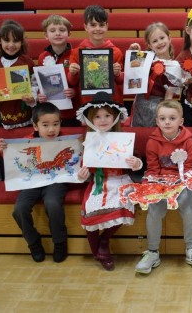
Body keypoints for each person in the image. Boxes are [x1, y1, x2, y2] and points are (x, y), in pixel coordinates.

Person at [135, 100, 192, 274]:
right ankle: (152, 252)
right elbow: (153, 169)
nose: (167, 122)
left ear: (181, 121)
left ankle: (191, 248)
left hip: (182, 181)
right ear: (157, 121)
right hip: (161, 183)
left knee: (188, 204)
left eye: (172, 118)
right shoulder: (152, 142)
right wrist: (154, 186)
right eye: (162, 118)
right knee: (154, 208)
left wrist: (182, 183)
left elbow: (190, 167)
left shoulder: (188, 141)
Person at [76, 91, 143, 271]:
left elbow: (135, 162)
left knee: (125, 203)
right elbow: (85, 168)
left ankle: (104, 240)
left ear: (115, 117)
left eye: (107, 115)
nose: (103, 120)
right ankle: (97, 251)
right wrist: (82, 175)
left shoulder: (123, 139)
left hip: (120, 179)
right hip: (99, 183)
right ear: (90, 119)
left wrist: (136, 163)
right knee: (90, 211)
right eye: (97, 116)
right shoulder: (87, 141)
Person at [0, 103, 69, 263]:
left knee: (52, 203)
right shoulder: (26, 142)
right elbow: (14, 162)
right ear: (35, 126)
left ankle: (59, 242)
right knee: (19, 208)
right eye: (45, 125)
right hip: (32, 182)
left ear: (60, 124)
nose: (51, 129)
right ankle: (33, 242)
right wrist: (4, 150)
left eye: (55, 124)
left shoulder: (67, 141)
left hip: (55, 182)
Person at [67, 5, 124, 105]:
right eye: (93, 25)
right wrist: (72, 73)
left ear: (106, 26)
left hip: (112, 101)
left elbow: (121, 80)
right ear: (85, 27)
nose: (97, 28)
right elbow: (72, 82)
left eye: (101, 25)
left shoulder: (116, 52)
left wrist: (117, 73)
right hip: (87, 102)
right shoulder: (77, 52)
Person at [0, 20, 36, 129]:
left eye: (16, 41)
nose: (11, 45)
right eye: (7, 40)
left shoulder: (27, 61)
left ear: (22, 42)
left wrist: (32, 98)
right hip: (0, 115)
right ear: (0, 41)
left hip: (22, 113)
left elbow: (34, 84)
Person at [129, 22, 183, 127]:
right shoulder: (146, 59)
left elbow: (169, 96)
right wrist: (134, 54)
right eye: (155, 41)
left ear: (169, 38)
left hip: (159, 108)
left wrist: (164, 115)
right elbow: (134, 77)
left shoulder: (175, 66)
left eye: (162, 38)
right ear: (150, 45)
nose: (160, 42)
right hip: (139, 105)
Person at [36, 15, 81, 127]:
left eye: (62, 30)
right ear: (46, 35)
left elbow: (83, 81)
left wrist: (75, 91)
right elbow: (39, 81)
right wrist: (39, 94)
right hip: (49, 111)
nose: (57, 33)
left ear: (69, 34)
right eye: (52, 30)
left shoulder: (76, 54)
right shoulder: (42, 57)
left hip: (71, 110)